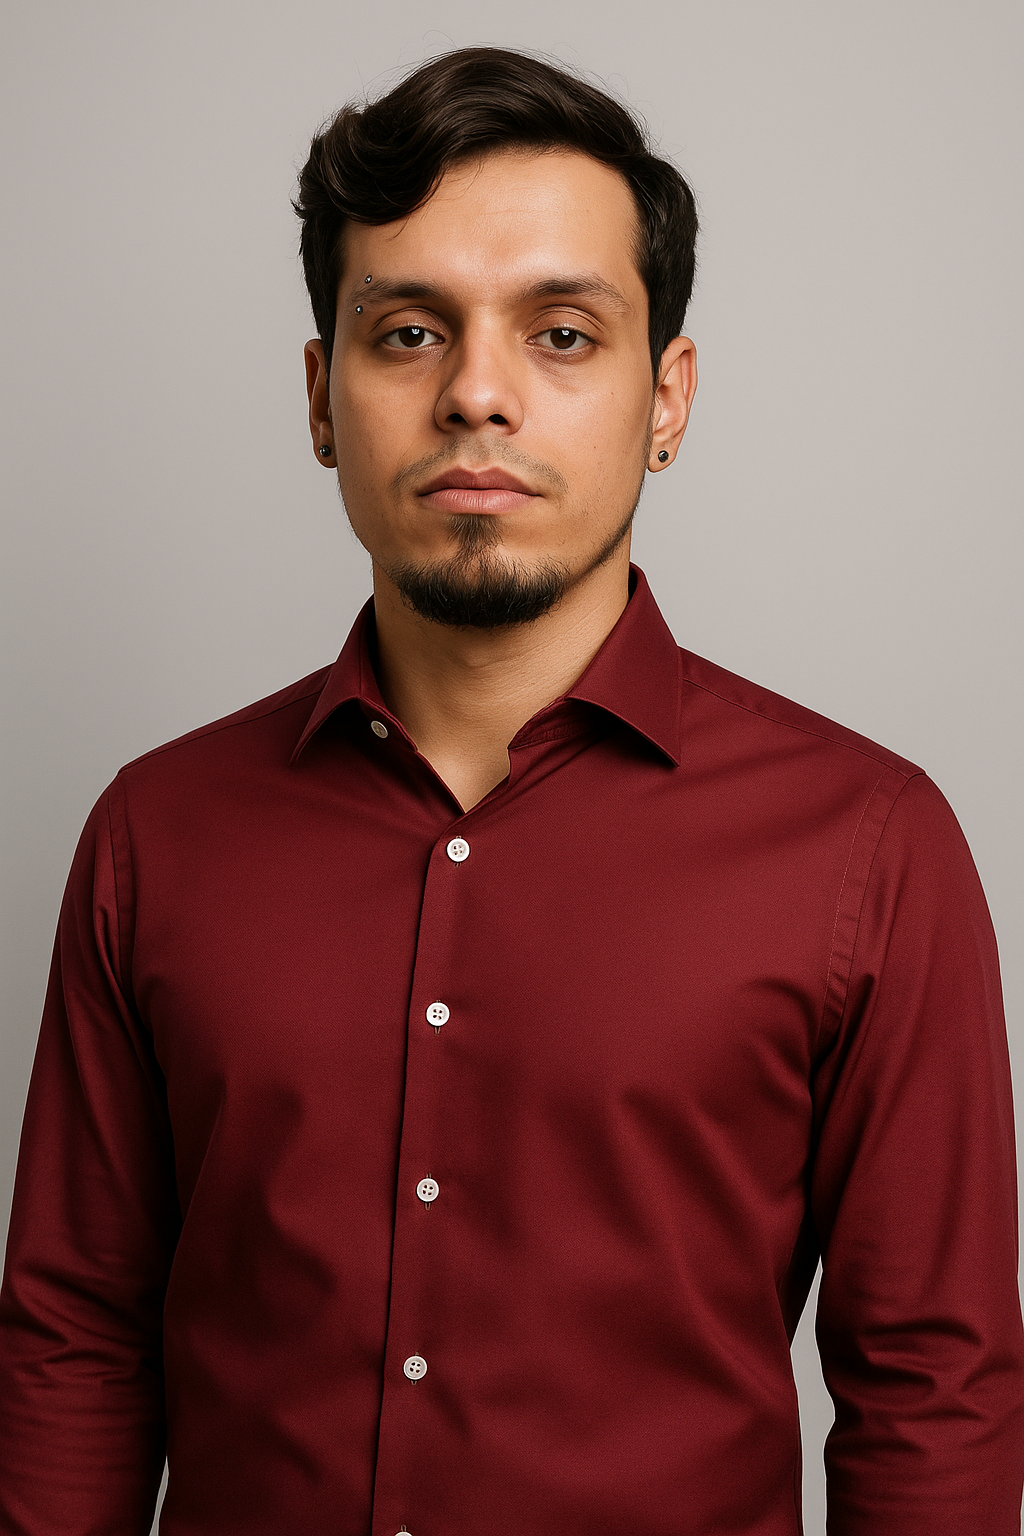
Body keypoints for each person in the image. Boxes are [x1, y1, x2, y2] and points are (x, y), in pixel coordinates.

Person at [0, 43, 1021, 1536]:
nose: (477, 394)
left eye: (562, 333)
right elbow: (74, 1346)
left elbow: (934, 1396)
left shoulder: (869, 850)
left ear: (668, 396)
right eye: (409, 331)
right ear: (321, 398)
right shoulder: (155, 835)